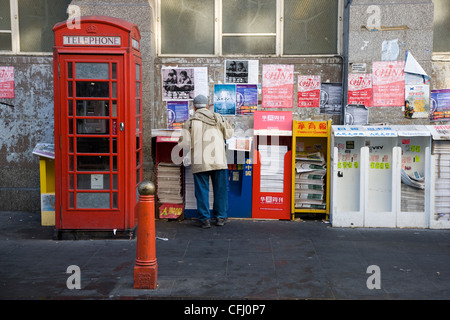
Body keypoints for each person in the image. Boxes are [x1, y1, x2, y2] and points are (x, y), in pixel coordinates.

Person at [178, 95, 234, 228]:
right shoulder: (217, 118)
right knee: (220, 190)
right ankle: (220, 217)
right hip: (218, 159)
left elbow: (184, 144)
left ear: (194, 107)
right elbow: (229, 134)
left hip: (200, 160)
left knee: (202, 191)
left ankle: (204, 219)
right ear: (207, 106)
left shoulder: (190, 122)